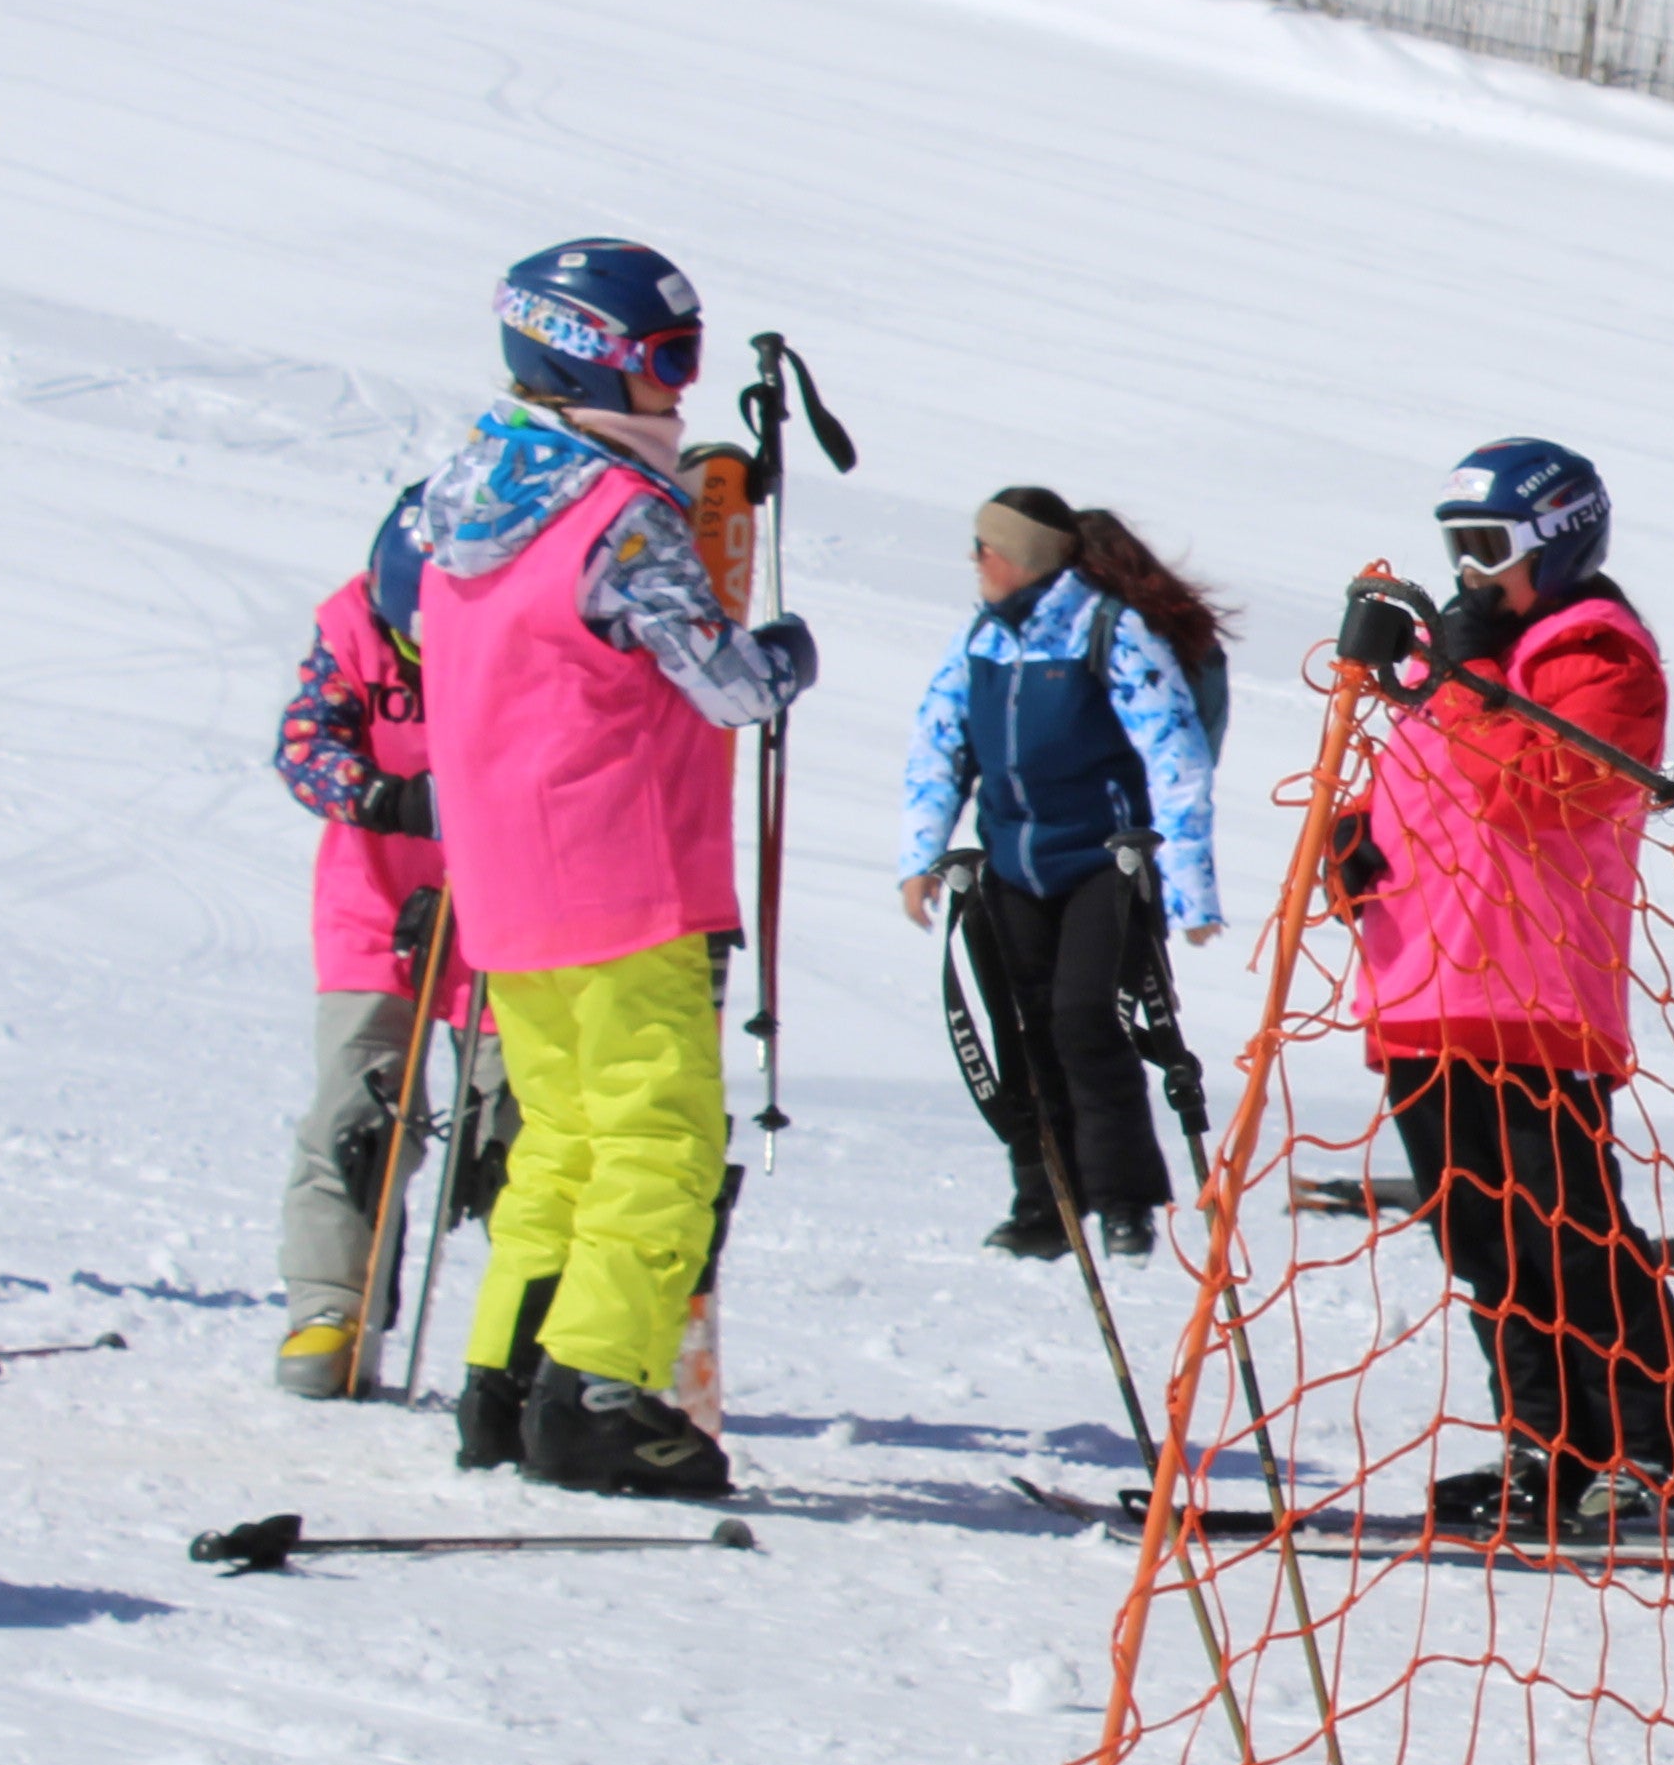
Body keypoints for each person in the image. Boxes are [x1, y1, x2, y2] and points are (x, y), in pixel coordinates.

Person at [402, 238, 815, 1502]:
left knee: (561, 1141)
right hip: (622, 868)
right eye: (666, 363)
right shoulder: (618, 516)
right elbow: (727, 680)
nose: (680, 393)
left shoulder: (465, 496)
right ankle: (598, 1393)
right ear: (597, 359)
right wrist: (788, 650)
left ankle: (505, 1378)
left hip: (508, 877)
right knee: (660, 1141)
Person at [1325, 436, 1674, 1543]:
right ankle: (1547, 1443)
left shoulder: (1598, 656)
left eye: (1491, 549)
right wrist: (1361, 845)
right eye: (1459, 551)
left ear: (1561, 541)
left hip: (1529, 1002)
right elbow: (1442, 800)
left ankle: (1654, 1449)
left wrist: (1448, 673)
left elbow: (1542, 787)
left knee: (1567, 1231)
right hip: (1425, 993)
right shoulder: (1463, 670)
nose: (1474, 573)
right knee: (1479, 1240)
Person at [897, 486, 1230, 1259]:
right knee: (1022, 1030)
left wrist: (1188, 890)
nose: (978, 560)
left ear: (1027, 557)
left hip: (1101, 864)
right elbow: (937, 744)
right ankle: (1045, 1198)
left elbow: (1174, 759)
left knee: (1085, 1019)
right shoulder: (982, 639)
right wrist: (921, 854)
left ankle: (1123, 1200)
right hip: (1013, 863)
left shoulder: (1110, 632)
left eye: (991, 547)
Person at [265, 524, 512, 1396]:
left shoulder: (516, 625)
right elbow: (303, 750)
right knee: (357, 1110)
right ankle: (329, 1307)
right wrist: (383, 795)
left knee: (512, 1120)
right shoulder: (350, 631)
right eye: (411, 643)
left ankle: (531, 1326)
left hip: (506, 905)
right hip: (375, 905)